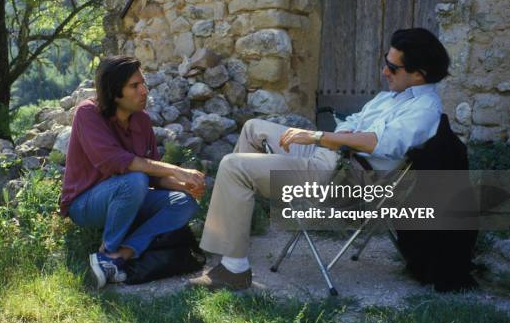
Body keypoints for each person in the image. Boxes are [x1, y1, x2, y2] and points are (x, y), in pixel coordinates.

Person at [190, 28, 451, 290]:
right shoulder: (391, 97)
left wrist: (317, 136)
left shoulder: (424, 109)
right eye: (386, 61)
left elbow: (379, 142)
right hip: (332, 156)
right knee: (253, 128)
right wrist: (335, 137)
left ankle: (234, 269)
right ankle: (236, 236)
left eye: (393, 68)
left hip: (344, 180)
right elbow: (352, 123)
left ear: (420, 73)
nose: (385, 72)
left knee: (234, 166)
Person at [60, 56, 206, 289]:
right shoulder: (87, 113)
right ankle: (107, 248)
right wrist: (178, 170)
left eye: (143, 84)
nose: (144, 91)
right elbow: (117, 163)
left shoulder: (142, 121)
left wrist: (187, 185)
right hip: (85, 204)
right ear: (114, 91)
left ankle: (118, 256)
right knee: (134, 179)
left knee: (185, 203)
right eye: (134, 86)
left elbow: (154, 177)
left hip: (130, 196)